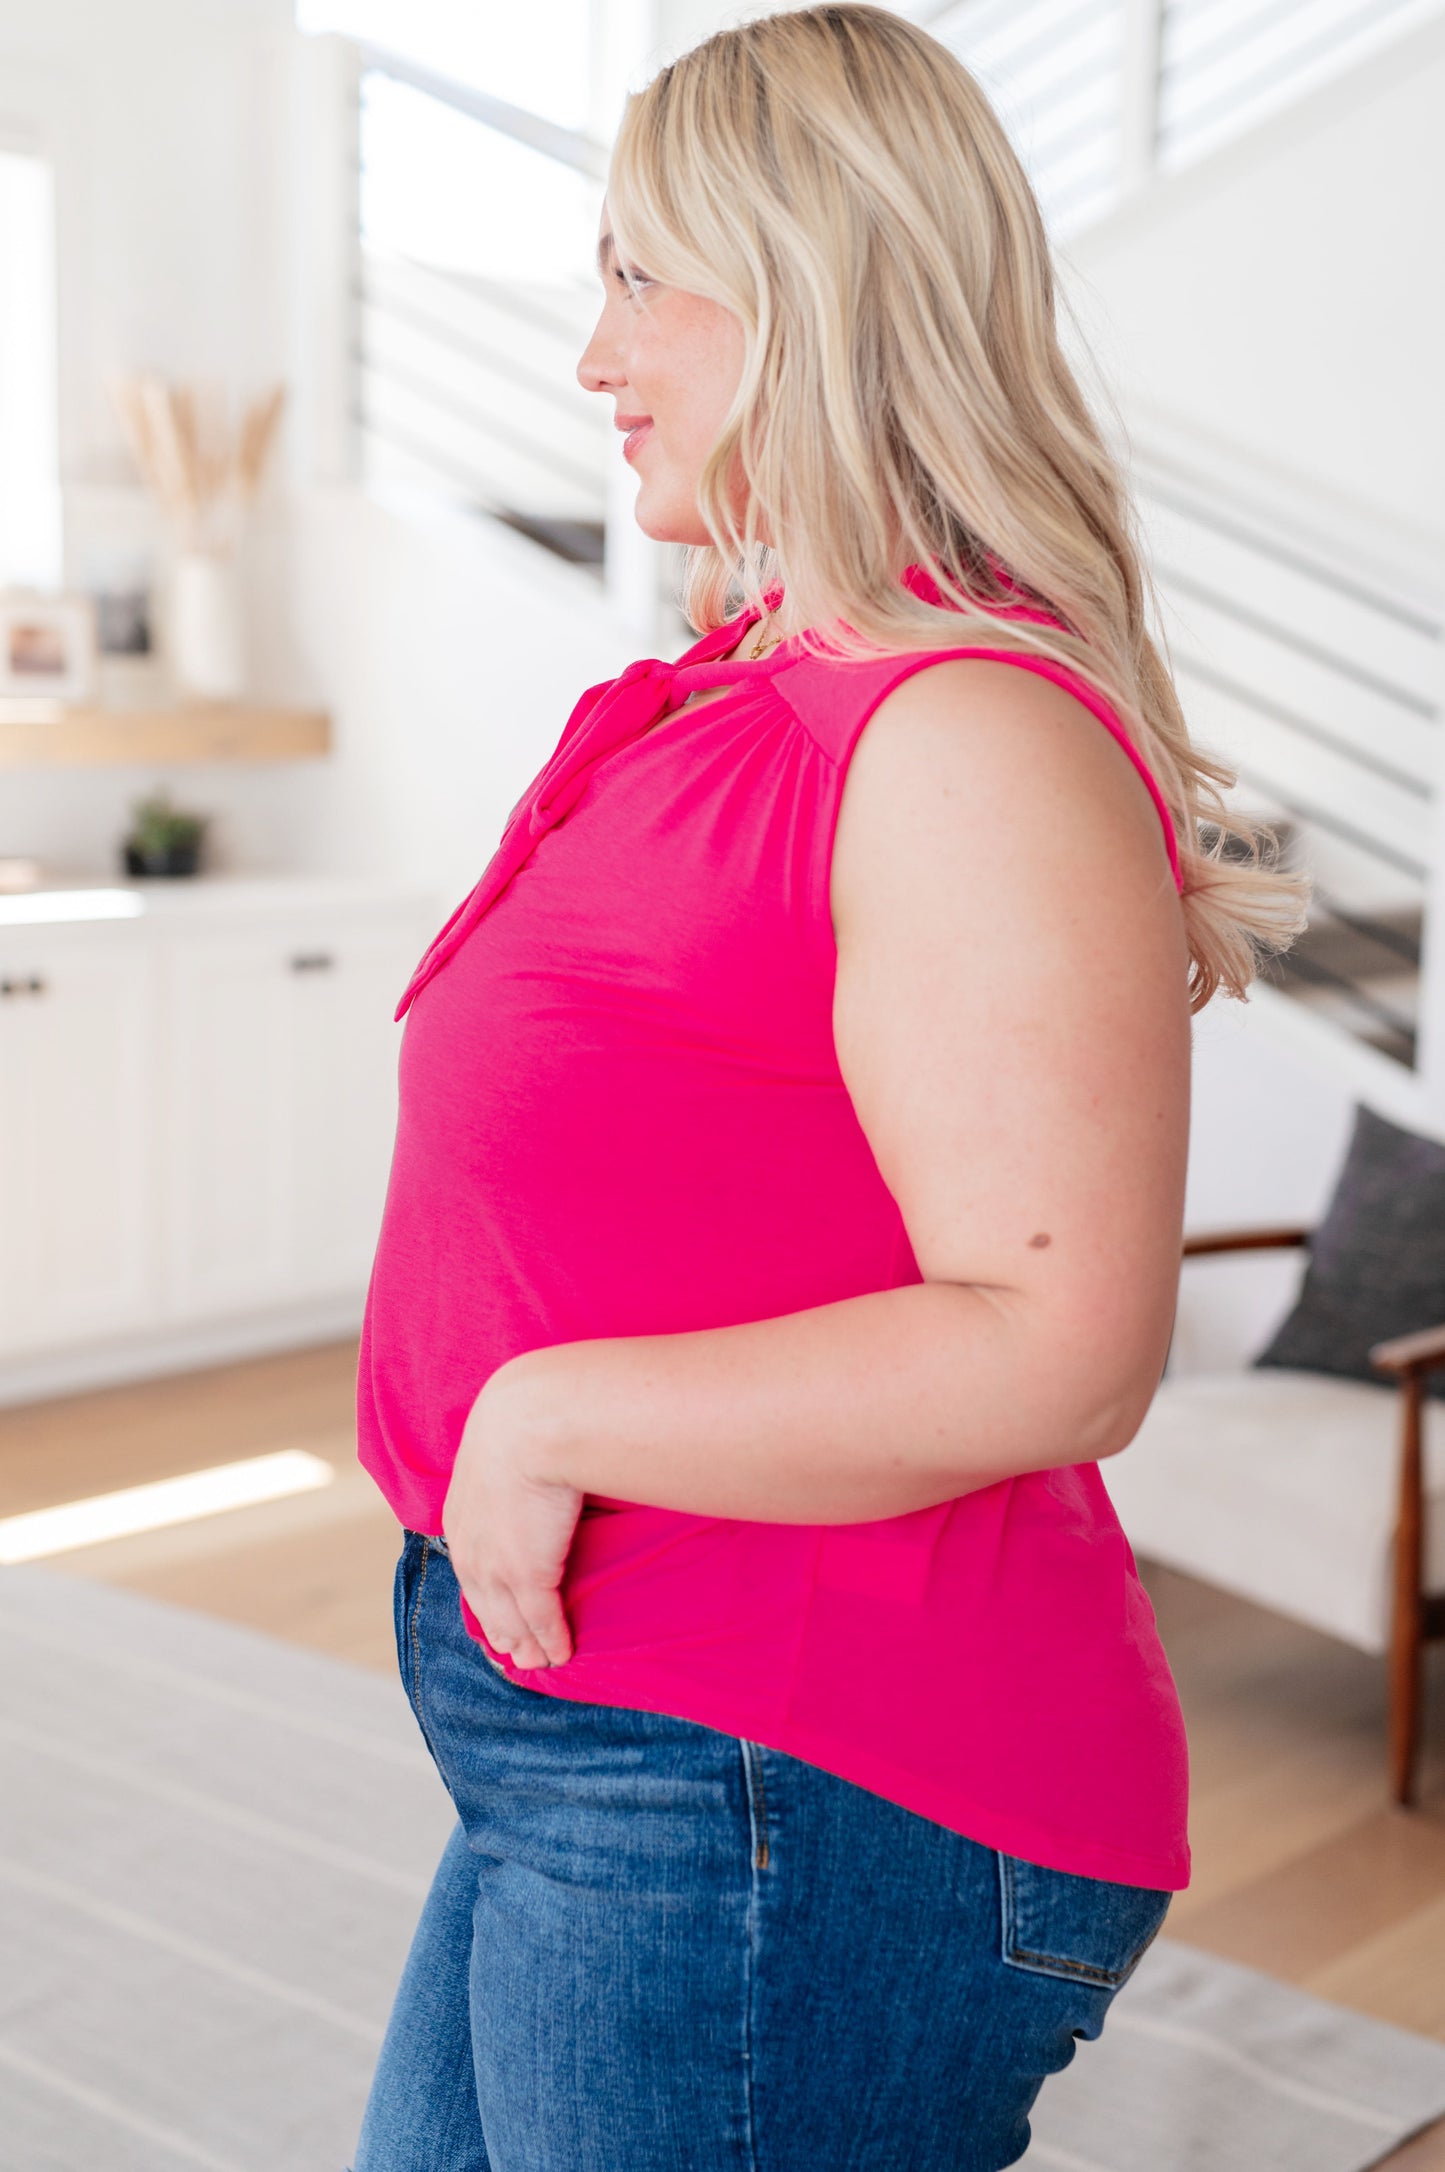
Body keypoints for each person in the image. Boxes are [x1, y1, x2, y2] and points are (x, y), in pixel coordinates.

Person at [351, 8, 1303, 2168]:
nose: (592, 356)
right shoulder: (747, 696)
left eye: (636, 276)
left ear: (813, 283)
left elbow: (1058, 1344)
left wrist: (543, 1415)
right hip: (610, 1735)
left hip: (792, 1777)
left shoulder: (963, 736)